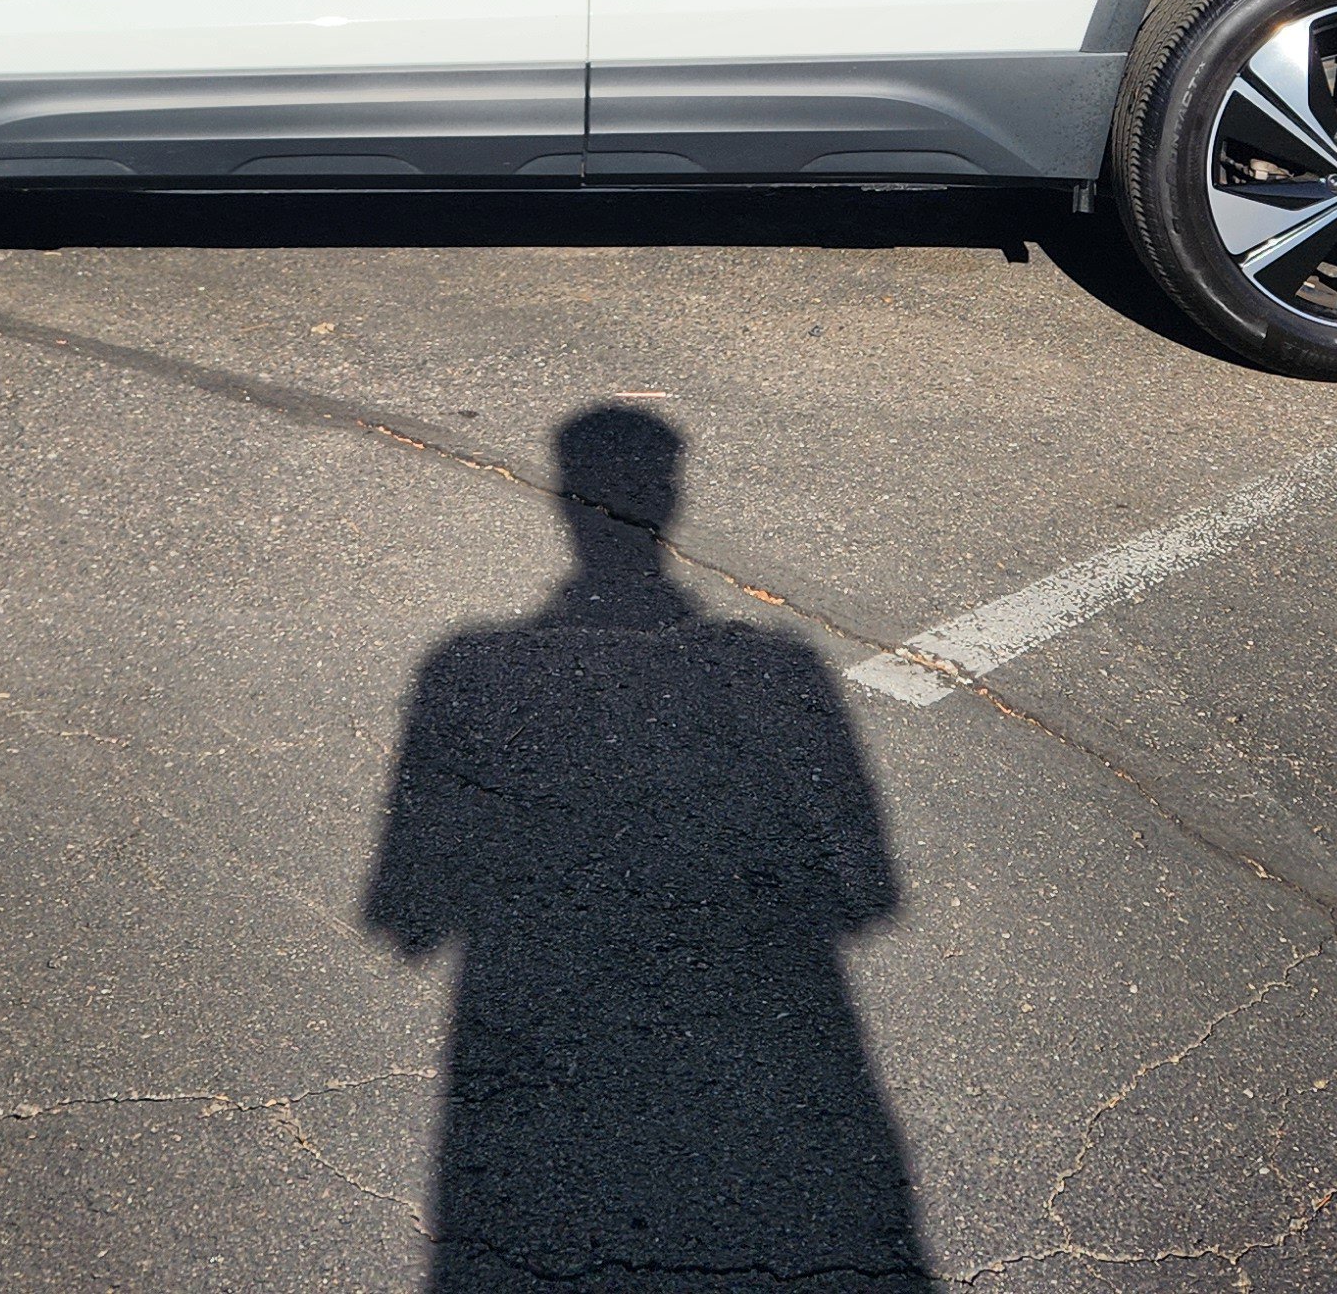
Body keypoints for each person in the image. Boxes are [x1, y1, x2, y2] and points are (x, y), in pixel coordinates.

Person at [363, 405, 933, 1290]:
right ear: (669, 498)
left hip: (526, 1072)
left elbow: (407, 914)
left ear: (567, 503)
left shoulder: (466, 667)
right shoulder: (778, 667)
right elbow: (867, 895)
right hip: (776, 1072)